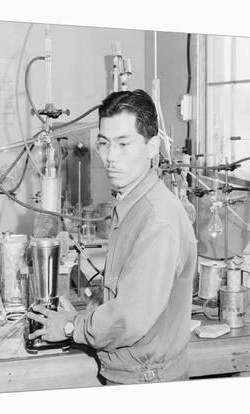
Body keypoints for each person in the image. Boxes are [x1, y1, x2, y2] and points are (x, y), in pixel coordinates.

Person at [27, 89, 197, 385]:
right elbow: (124, 293)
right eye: (104, 144)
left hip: (147, 380)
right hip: (134, 371)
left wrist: (71, 328)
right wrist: (87, 314)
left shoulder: (157, 219)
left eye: (123, 143)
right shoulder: (131, 204)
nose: (110, 157)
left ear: (151, 147)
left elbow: (128, 318)